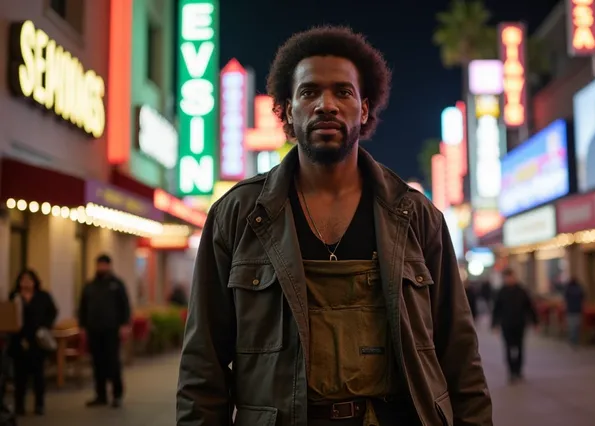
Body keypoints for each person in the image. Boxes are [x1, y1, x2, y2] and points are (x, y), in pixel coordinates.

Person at [177, 26, 492, 426]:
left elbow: (460, 355)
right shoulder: (237, 216)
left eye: (343, 92)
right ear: (287, 109)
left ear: (364, 108)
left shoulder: (416, 216)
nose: (326, 104)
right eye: (309, 92)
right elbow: (202, 365)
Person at [78, 254, 131, 409]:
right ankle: (100, 395)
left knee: (113, 362)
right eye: (99, 264)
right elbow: (83, 307)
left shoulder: (117, 284)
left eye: (104, 264)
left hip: (112, 330)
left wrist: (125, 325)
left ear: (109, 266)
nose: (101, 267)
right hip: (94, 330)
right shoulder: (90, 285)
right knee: (97, 363)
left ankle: (117, 395)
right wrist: (82, 326)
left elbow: (125, 306)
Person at [9, 269, 57, 416]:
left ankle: (39, 404)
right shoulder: (14, 297)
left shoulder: (43, 296)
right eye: (23, 280)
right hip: (19, 340)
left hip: (38, 339)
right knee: (20, 376)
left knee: (38, 374)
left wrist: (45, 326)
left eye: (29, 280)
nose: (26, 283)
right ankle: (19, 406)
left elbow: (53, 312)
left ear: (35, 281)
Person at [491, 268, 538, 384]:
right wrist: (495, 324)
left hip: (520, 324)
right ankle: (511, 372)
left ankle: (518, 370)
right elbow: (496, 309)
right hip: (506, 325)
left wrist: (535, 322)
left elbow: (529, 307)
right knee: (508, 348)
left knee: (520, 347)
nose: (509, 279)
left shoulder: (522, 291)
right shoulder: (501, 292)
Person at [563, 277, 585, 347]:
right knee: (576, 325)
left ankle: (572, 339)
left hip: (570, 310)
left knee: (571, 325)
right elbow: (583, 298)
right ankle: (575, 339)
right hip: (578, 310)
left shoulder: (568, 289)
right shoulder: (579, 289)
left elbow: (565, 299)